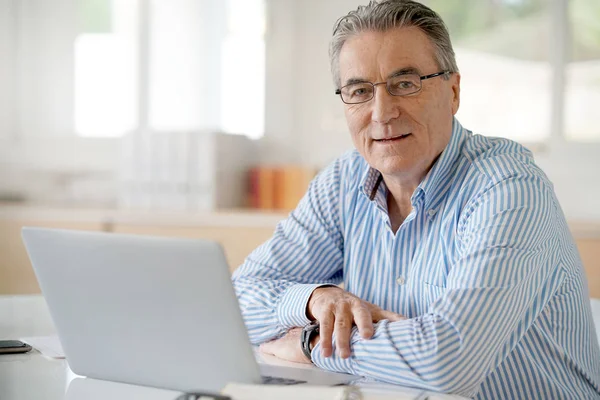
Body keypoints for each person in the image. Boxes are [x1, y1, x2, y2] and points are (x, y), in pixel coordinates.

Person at [231, 1, 600, 398]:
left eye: (405, 84)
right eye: (359, 91)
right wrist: (314, 301)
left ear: (453, 92)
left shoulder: (510, 189)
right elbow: (233, 301)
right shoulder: (341, 181)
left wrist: (311, 344)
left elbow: (449, 361)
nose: (382, 112)